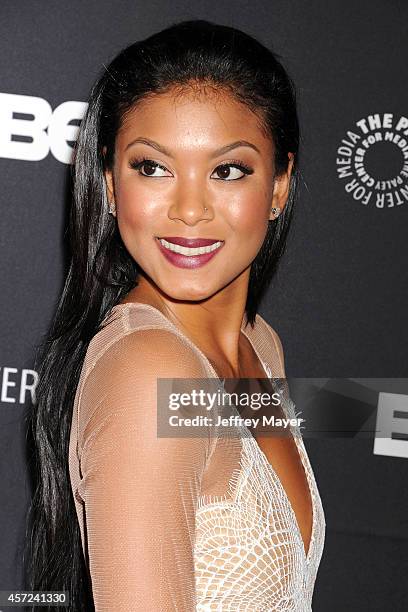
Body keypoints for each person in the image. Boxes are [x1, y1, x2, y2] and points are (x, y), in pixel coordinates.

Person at [26, 19, 325, 611]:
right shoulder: (150, 368)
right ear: (110, 183)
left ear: (280, 186)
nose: (189, 210)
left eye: (228, 170)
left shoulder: (260, 346)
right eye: (152, 167)